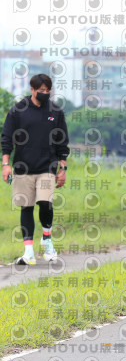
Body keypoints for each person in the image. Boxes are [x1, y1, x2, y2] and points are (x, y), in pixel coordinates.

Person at [1, 74, 69, 265]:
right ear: (32, 90)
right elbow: (7, 138)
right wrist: (5, 164)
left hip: (47, 167)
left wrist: (63, 168)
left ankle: (46, 239)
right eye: (41, 91)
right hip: (23, 167)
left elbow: (62, 141)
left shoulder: (55, 111)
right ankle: (28, 251)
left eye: (48, 91)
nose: (45, 94)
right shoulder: (18, 110)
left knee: (46, 203)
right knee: (26, 207)